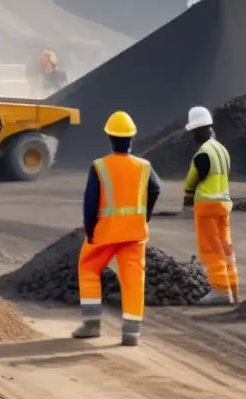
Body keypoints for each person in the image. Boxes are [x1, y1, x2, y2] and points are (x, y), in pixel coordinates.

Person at [73, 111, 161, 346]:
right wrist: (145, 216)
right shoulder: (144, 166)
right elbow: (155, 189)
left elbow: (90, 201)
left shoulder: (100, 167)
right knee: (133, 278)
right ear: (132, 139)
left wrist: (89, 229)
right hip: (135, 233)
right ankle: (131, 333)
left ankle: (91, 325)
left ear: (110, 138)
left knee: (88, 267)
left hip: (106, 232)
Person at [182, 106, 239, 306]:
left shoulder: (203, 153)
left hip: (207, 205)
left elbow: (192, 179)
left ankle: (220, 290)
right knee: (226, 246)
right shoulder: (222, 150)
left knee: (211, 248)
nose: (193, 136)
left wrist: (188, 192)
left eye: (194, 132)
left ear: (200, 130)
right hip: (224, 203)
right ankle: (232, 287)